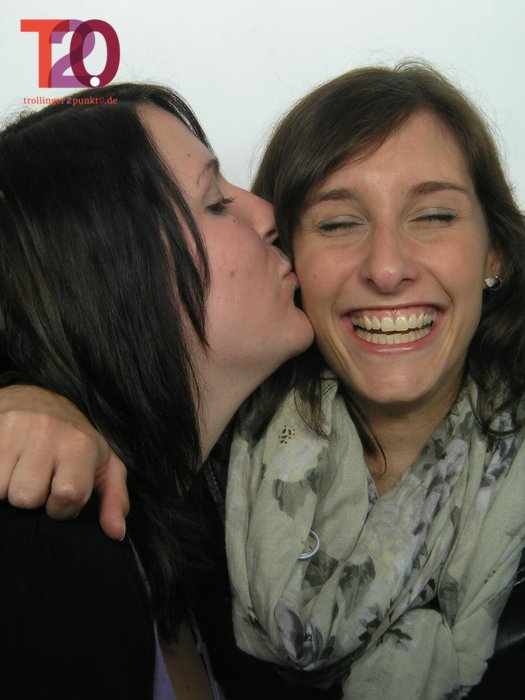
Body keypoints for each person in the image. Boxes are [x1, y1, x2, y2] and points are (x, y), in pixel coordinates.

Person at [1, 62, 525, 698]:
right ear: (115, 275)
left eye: (435, 215)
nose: (387, 268)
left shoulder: (178, 499)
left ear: (496, 248)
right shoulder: (207, 495)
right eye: (336, 223)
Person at [0, 81, 313, 699]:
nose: (269, 214)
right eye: (216, 202)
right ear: (114, 275)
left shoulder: (221, 514)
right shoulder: (36, 560)